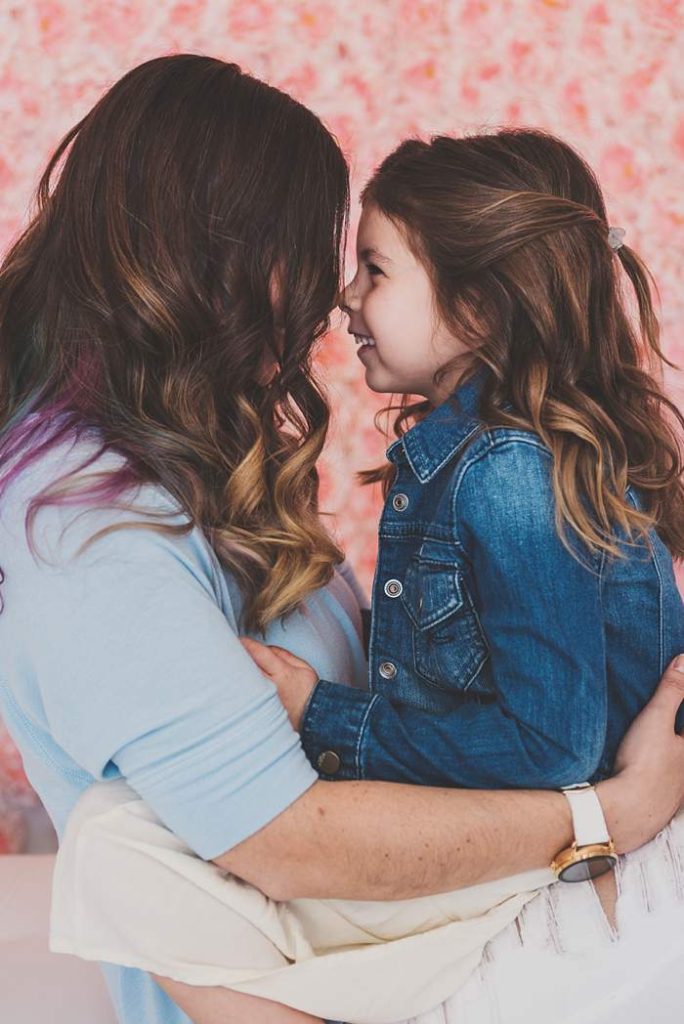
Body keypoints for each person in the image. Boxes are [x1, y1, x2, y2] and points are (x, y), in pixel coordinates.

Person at [0, 55, 682, 1024]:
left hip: (446, 913)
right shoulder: (86, 531)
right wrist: (614, 814)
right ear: (222, 255)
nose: (334, 296)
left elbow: (535, 726)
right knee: (114, 853)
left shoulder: (469, 466)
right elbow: (288, 839)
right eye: (322, 253)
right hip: (340, 940)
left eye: (368, 266)